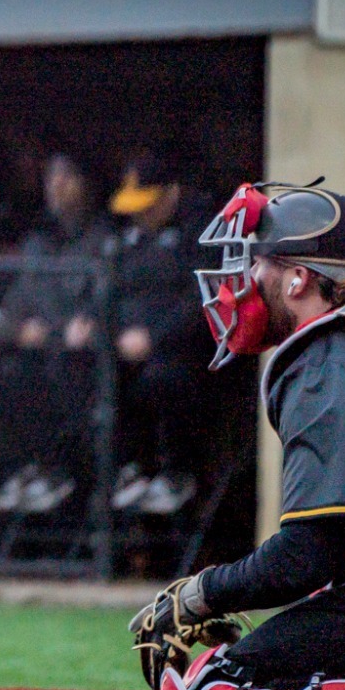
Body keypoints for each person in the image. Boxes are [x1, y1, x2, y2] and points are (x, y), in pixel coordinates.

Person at [131, 181, 345, 690]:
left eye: (260, 259)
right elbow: (333, 563)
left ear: (299, 278)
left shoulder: (329, 356)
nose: (244, 276)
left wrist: (198, 595)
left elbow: (304, 557)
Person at [0, 154, 112, 514]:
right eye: (51, 176)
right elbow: (18, 303)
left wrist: (50, 333)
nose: (56, 185)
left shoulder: (106, 239)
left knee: (55, 375)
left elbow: (90, 316)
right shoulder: (39, 241)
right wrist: (9, 330)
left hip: (85, 365)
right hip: (35, 357)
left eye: (67, 176)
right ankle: (27, 471)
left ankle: (62, 475)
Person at [106, 152, 214, 516]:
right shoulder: (130, 238)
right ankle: (126, 470)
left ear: (171, 194)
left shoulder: (201, 231)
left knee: (163, 379)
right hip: (125, 351)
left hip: (185, 354)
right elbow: (110, 289)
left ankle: (176, 473)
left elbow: (201, 303)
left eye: (148, 205)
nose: (140, 214)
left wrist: (154, 338)